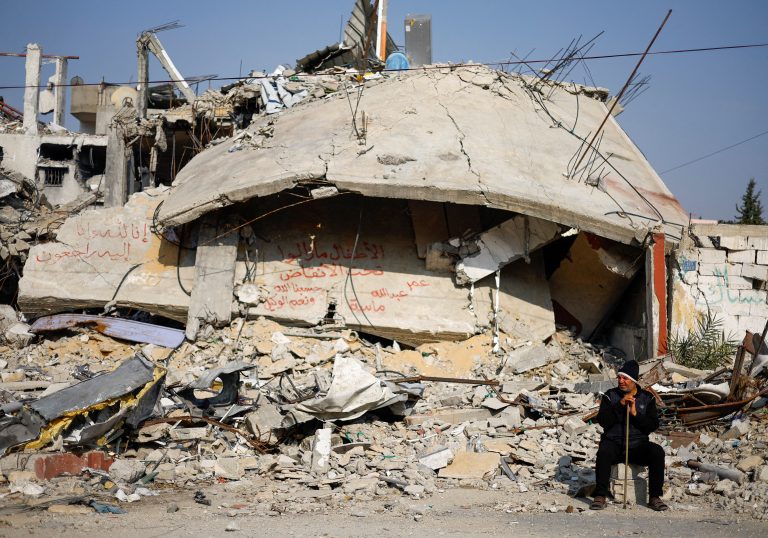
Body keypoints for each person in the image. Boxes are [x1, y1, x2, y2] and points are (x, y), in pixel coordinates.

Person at [590, 359, 669, 511]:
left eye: (625, 378)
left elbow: (652, 425)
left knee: (657, 452)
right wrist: (619, 405)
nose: (621, 381)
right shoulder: (610, 396)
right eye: (619, 377)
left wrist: (635, 414)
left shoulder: (647, 398)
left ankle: (655, 497)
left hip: (637, 446)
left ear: (634, 381)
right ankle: (600, 495)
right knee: (604, 451)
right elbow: (603, 421)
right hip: (614, 444)